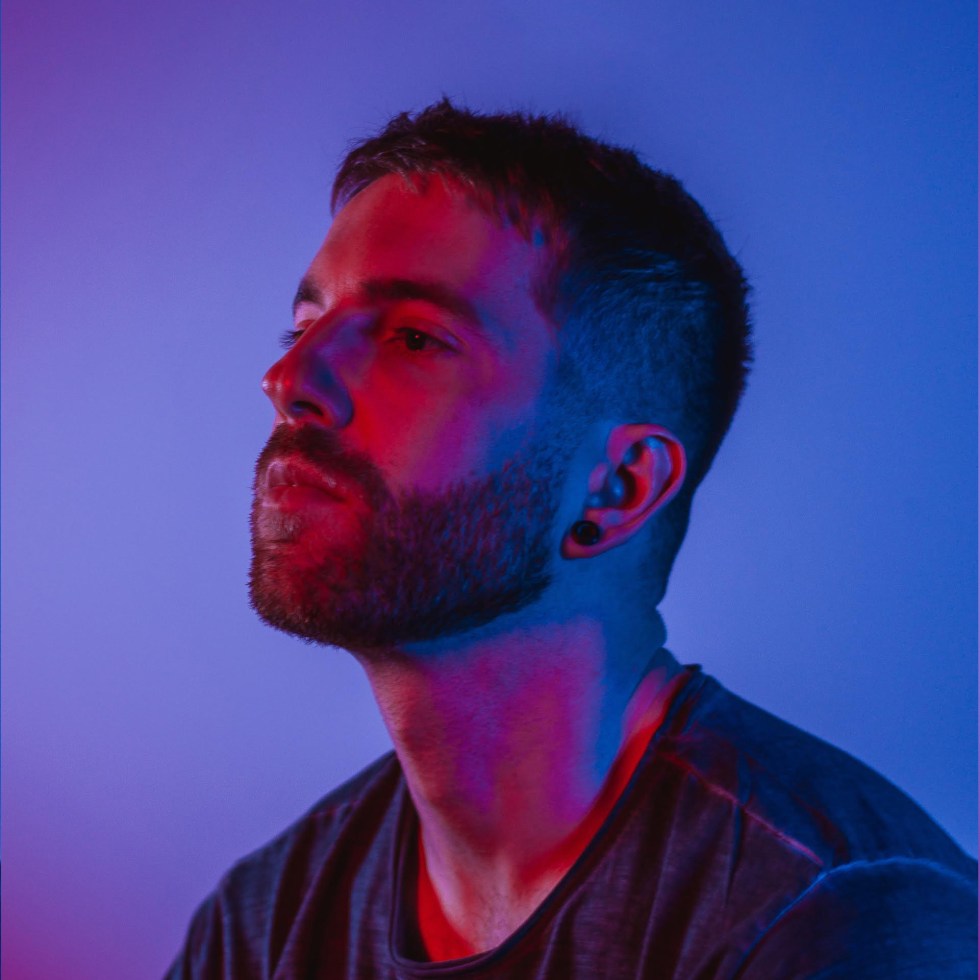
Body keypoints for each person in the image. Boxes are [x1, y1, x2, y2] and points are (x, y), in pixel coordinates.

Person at [167, 101, 977, 979]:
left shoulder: (840, 916)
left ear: (618, 488)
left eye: (413, 338)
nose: (288, 377)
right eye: (303, 326)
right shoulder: (264, 924)